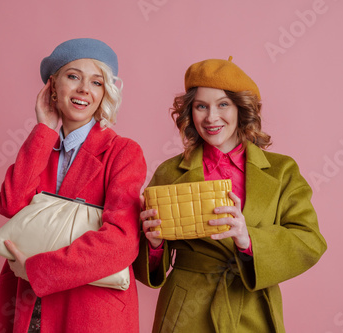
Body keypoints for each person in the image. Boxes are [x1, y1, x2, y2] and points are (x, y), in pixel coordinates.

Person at [133, 57, 327, 333]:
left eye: (223, 104)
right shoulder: (169, 172)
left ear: (241, 109)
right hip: (185, 311)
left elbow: (310, 241)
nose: (211, 117)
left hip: (252, 308)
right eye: (201, 106)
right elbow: (146, 265)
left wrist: (249, 240)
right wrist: (153, 245)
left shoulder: (282, 171)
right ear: (191, 112)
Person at [0, 38, 146, 333]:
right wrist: (44, 130)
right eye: (73, 76)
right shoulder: (42, 146)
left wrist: (38, 269)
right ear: (52, 86)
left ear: (106, 92)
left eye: (96, 82)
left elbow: (121, 241)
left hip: (90, 311)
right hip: (27, 305)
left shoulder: (123, 152)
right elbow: (10, 205)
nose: (84, 89)